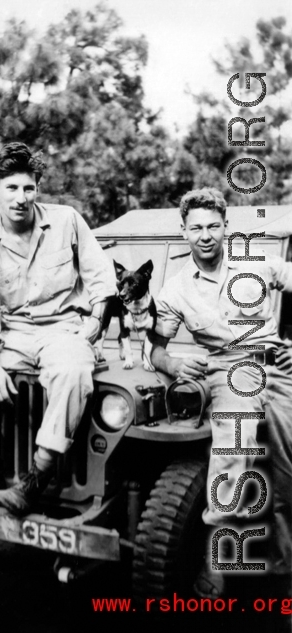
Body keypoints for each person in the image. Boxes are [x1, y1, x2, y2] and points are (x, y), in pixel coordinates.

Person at [0, 142, 117, 516]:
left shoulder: (66, 220)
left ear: (38, 187)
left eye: (28, 188)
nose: (21, 198)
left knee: (71, 371)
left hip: (64, 329)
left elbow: (102, 279)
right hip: (13, 335)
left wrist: (95, 324)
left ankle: (36, 478)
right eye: (12, 187)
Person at [150, 187, 292, 597]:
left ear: (226, 227)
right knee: (233, 442)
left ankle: (283, 565)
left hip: (276, 365)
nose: (206, 235)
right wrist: (175, 364)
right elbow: (155, 349)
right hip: (230, 371)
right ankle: (219, 560)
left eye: (213, 226)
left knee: (287, 465)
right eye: (196, 228)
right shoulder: (175, 290)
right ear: (184, 232)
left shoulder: (256, 264)